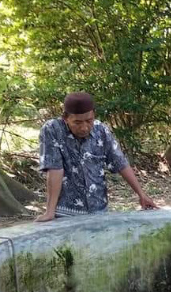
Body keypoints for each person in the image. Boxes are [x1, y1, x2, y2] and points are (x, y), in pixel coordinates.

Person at [36, 92, 157, 222]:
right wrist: (50, 212)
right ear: (65, 118)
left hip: (98, 209)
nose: (84, 127)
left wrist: (141, 194)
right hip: (66, 212)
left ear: (94, 114)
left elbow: (120, 162)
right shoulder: (52, 129)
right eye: (77, 122)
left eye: (89, 121)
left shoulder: (101, 130)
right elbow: (55, 169)